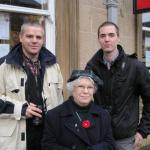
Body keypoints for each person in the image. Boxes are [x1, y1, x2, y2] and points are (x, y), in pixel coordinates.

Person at [85, 21, 150, 150]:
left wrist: (143, 131)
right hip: (99, 136)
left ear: (118, 38)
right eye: (103, 36)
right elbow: (82, 99)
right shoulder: (91, 67)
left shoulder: (135, 67)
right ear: (98, 39)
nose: (107, 39)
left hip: (125, 140)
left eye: (111, 35)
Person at [0, 21, 63, 150]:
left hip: (48, 137)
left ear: (43, 40)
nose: (34, 41)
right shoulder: (4, 65)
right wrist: (21, 109)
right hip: (16, 139)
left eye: (38, 37)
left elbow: (60, 99)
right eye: (29, 36)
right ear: (21, 38)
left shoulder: (54, 65)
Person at [42, 70, 116, 150]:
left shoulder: (103, 115)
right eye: (81, 86)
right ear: (72, 88)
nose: (85, 91)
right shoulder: (54, 115)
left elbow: (110, 143)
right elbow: (47, 145)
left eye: (90, 87)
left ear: (94, 90)